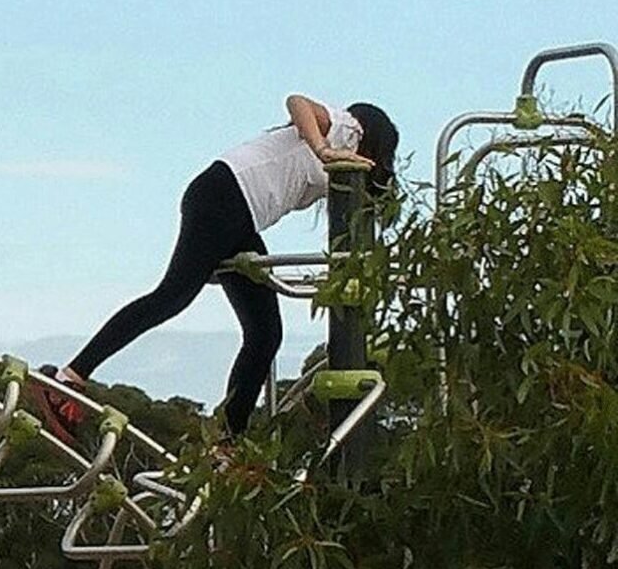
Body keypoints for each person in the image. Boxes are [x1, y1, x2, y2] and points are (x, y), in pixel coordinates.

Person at [35, 97, 399, 442]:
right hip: (225, 197)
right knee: (171, 297)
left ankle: (228, 440)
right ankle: (69, 377)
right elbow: (297, 102)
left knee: (265, 333)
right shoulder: (348, 130)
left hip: (240, 219)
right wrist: (323, 148)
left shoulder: (343, 163)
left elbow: (371, 199)